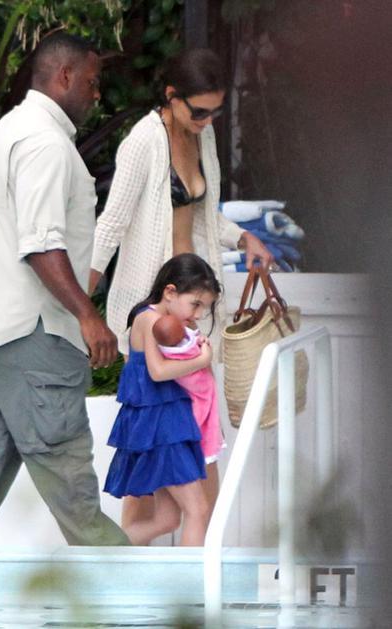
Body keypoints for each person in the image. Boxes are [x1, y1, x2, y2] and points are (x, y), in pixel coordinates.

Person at [0, 32, 129, 546]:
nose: (96, 94)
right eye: (92, 82)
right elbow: (41, 244)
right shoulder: (46, 144)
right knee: (77, 503)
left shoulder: (7, 133)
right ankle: (139, 595)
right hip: (35, 339)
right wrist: (89, 316)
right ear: (65, 76)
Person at [89, 47, 272, 531]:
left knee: (198, 448)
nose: (208, 122)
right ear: (171, 97)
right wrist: (82, 311)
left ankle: (191, 559)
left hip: (194, 315)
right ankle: (131, 568)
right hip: (156, 317)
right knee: (148, 463)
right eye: (199, 111)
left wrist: (245, 238)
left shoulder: (202, 137)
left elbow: (204, 215)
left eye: (216, 112)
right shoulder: (142, 142)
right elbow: (110, 226)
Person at [104, 253, 221, 546]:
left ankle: (105, 552)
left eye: (203, 308)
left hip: (166, 426)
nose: (198, 314)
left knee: (168, 520)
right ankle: (190, 578)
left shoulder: (168, 323)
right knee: (198, 509)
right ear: (170, 292)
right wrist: (202, 359)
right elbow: (157, 372)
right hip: (160, 428)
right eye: (195, 304)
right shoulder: (149, 319)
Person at [153, 315, 223, 466]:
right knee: (202, 410)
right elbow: (202, 352)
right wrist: (204, 345)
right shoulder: (187, 347)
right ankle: (204, 442)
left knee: (198, 411)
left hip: (186, 386)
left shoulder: (164, 351)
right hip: (200, 384)